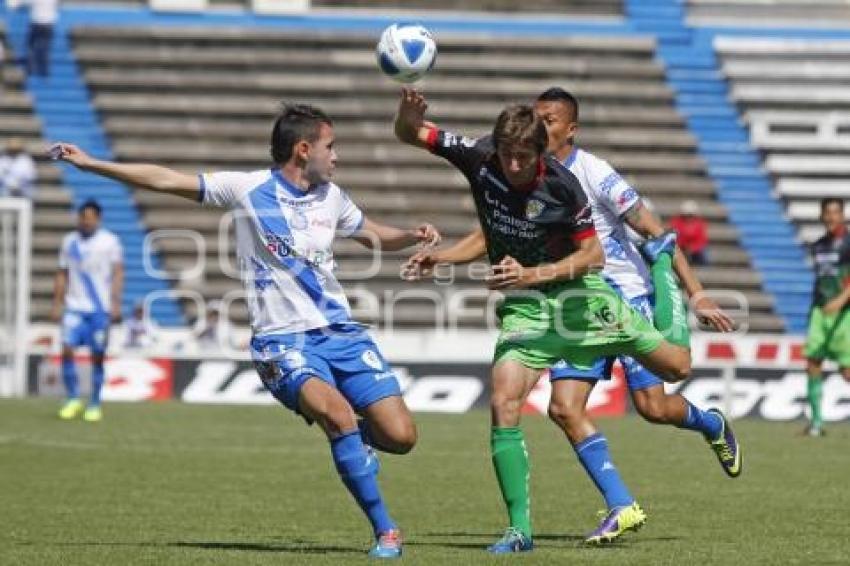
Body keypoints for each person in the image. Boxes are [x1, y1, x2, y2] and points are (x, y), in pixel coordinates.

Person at [51, 102, 441, 559]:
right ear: (302, 149)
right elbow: (166, 178)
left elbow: (372, 233)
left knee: (401, 437)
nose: (336, 157)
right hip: (282, 342)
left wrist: (412, 236)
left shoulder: (331, 197)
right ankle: (386, 531)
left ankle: (354, 440)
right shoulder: (247, 188)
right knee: (335, 414)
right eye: (330, 147)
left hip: (341, 333)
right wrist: (92, 163)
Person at [403, 87, 742, 546]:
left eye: (549, 121)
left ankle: (663, 278)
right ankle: (540, 525)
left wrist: (693, 289)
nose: (518, 160)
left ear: (562, 133)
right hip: (536, 305)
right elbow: (495, 226)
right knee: (544, 405)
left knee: (662, 393)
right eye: (535, 119)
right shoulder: (485, 158)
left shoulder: (580, 179)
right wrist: (443, 257)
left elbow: (603, 251)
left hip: (603, 296)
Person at [52, 199, 123, 422]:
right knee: (66, 348)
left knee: (98, 356)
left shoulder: (110, 242)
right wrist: (57, 302)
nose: (86, 221)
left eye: (90, 218)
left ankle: (94, 403)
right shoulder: (69, 242)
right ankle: (73, 398)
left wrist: (115, 302)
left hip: (99, 309)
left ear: (98, 219)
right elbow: (62, 273)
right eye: (83, 217)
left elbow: (118, 272)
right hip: (74, 306)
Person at [803, 198, 850, 437]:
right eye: (827, 212)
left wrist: (841, 300)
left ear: (843, 215)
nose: (831, 217)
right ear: (821, 216)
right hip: (820, 312)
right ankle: (816, 424)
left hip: (844, 314)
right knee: (812, 364)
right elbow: (820, 280)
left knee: (847, 371)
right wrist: (814, 311)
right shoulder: (819, 245)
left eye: (835, 212)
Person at [20, 0, 58, 77]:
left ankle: (30, 69)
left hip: (37, 22)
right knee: (45, 47)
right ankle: (44, 71)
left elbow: (24, 3)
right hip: (49, 23)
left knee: (31, 46)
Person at [669, 199, 709, 265]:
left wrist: (693, 248)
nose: (689, 217)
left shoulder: (699, 223)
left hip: (695, 250)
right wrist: (683, 246)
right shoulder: (676, 222)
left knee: (703, 253)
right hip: (680, 248)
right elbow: (674, 237)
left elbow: (702, 240)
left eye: (690, 215)